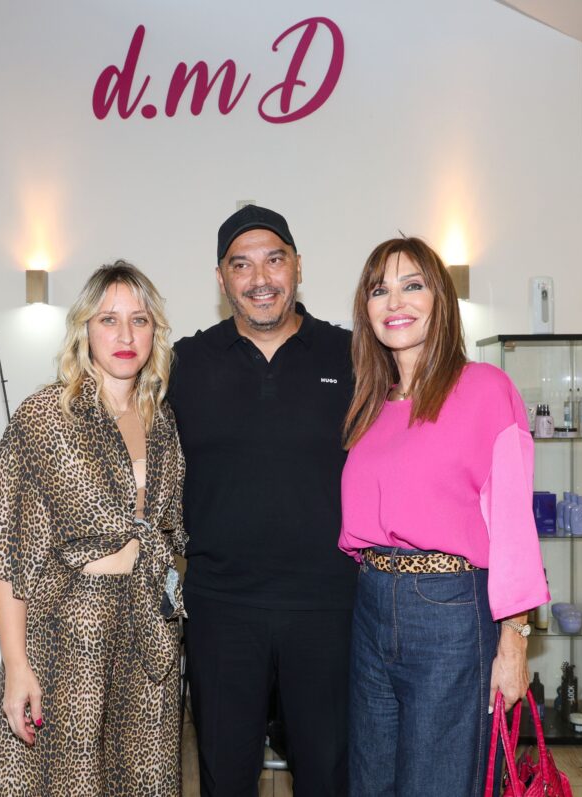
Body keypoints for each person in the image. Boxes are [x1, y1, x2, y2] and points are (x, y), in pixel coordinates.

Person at [338, 237, 549, 796]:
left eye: (412, 285)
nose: (394, 301)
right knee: (370, 783)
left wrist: (515, 641)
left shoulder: (484, 388)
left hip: (449, 613)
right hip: (371, 605)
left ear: (441, 300)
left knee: (440, 784)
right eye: (379, 290)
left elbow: (513, 527)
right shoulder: (372, 404)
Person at [0, 261, 187, 796]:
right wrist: (17, 667)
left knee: (145, 781)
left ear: (155, 332)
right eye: (108, 320)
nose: (125, 336)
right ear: (84, 330)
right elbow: (6, 555)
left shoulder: (162, 420)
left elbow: (166, 537)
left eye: (139, 320)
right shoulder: (45, 417)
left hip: (148, 634)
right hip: (70, 637)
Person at [168, 205, 356, 795]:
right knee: (224, 776)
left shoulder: (353, 356)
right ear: (221, 278)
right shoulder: (183, 364)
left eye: (274, 260)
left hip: (328, 605)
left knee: (328, 774)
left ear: (298, 266)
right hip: (221, 606)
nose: (260, 278)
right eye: (241, 264)